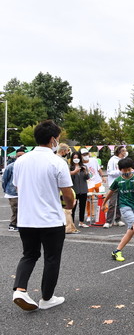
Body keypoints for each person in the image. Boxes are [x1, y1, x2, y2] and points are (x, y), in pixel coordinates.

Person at [12, 120, 75, 311]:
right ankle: (47, 298)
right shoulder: (57, 161)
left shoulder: (20, 161)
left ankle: (20, 290)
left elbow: (17, 186)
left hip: (26, 218)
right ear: (53, 139)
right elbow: (67, 193)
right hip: (50, 219)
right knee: (51, 258)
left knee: (29, 255)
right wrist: (70, 206)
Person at [2, 148, 25, 231]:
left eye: (22, 155)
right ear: (16, 156)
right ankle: (13, 224)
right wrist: (6, 190)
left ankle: (20, 224)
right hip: (13, 193)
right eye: (19, 156)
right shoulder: (10, 167)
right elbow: (4, 179)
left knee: (22, 209)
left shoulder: (27, 166)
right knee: (15, 209)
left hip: (24, 192)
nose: (21, 157)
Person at [104, 146, 127, 228]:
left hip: (122, 184)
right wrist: (120, 172)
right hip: (114, 184)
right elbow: (109, 172)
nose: (125, 152)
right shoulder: (112, 160)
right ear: (119, 152)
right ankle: (108, 221)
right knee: (112, 203)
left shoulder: (123, 161)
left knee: (120, 203)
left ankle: (118, 219)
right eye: (123, 151)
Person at [82, 148, 104, 224]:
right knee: (89, 199)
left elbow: (99, 169)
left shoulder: (94, 160)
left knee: (102, 197)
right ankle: (89, 215)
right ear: (81, 156)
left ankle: (104, 212)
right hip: (89, 183)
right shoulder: (81, 164)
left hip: (98, 181)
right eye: (83, 155)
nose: (85, 156)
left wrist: (103, 176)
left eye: (86, 154)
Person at [69, 150, 91, 228]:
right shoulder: (70, 168)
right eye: (74, 157)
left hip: (83, 190)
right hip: (74, 190)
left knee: (82, 206)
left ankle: (81, 222)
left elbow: (87, 177)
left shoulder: (84, 166)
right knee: (73, 207)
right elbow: (69, 179)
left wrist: (85, 172)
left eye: (77, 157)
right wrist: (74, 171)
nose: (76, 159)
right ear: (72, 159)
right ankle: (72, 223)